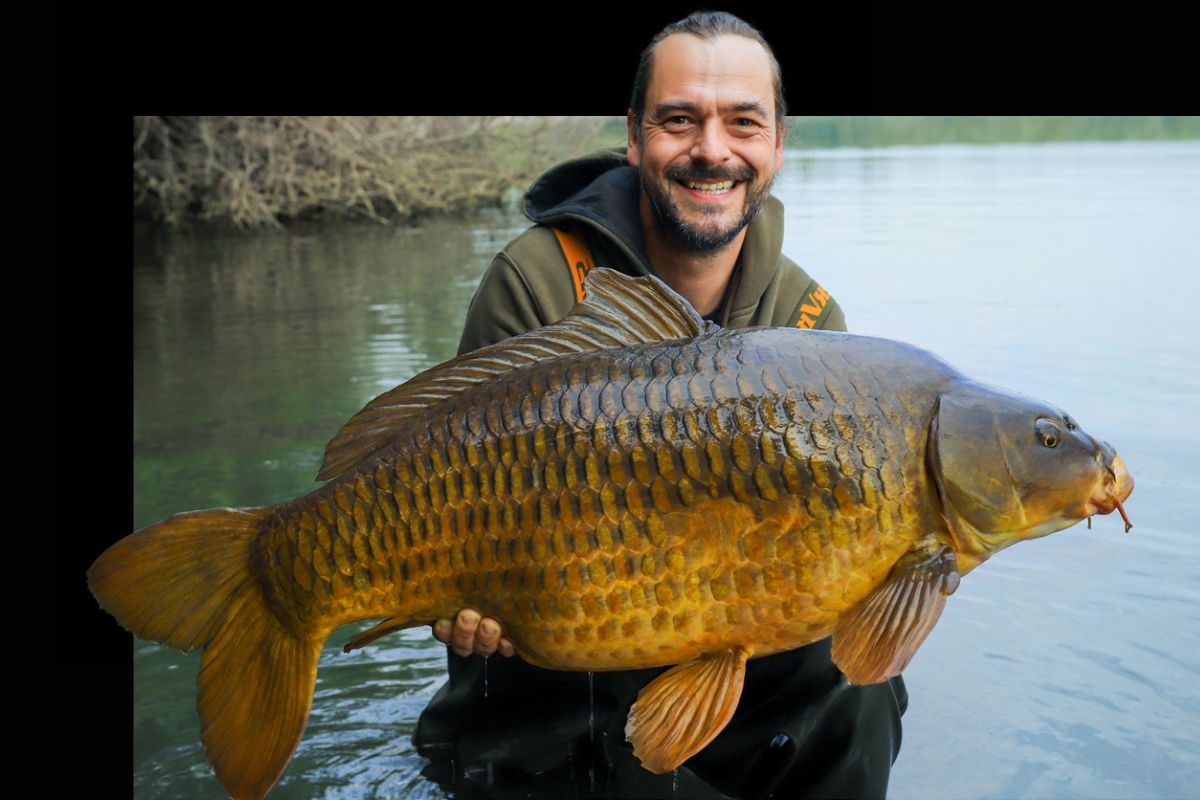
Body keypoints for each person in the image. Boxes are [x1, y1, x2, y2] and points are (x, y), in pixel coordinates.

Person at [414, 12, 906, 799]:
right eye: (681, 120)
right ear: (636, 138)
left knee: (859, 686)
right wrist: (466, 598)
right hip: (555, 655)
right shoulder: (536, 283)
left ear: (777, 145)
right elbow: (452, 487)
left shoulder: (810, 322)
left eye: (743, 122)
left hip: (725, 654)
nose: (713, 149)